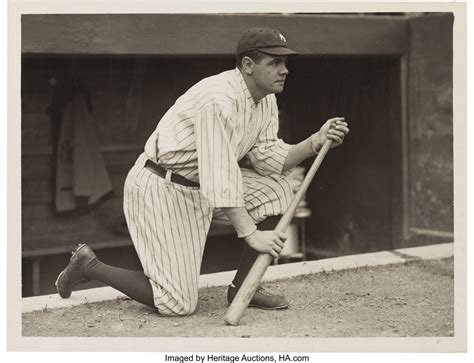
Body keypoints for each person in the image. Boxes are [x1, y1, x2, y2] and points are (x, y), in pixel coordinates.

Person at [55, 27, 349, 316]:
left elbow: (267, 157)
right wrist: (251, 234)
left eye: (284, 62)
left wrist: (314, 142)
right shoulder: (218, 99)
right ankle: (89, 265)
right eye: (275, 62)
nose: (284, 70)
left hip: (201, 189)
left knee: (278, 189)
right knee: (177, 303)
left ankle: (244, 287)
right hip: (162, 187)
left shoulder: (265, 100)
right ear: (247, 65)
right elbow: (220, 177)